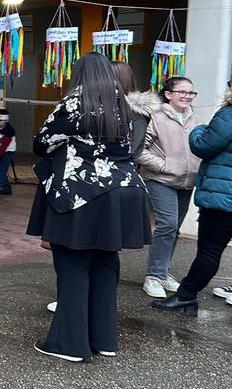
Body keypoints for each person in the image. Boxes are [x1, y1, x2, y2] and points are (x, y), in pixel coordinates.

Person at [28, 52, 151, 361]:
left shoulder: (75, 104)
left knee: (73, 266)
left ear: (78, 75)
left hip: (81, 194)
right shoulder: (127, 107)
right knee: (105, 265)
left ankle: (68, 345)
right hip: (124, 190)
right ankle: (104, 340)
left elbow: (41, 143)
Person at [151, 59, 232, 329]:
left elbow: (204, 146)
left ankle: (186, 296)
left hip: (225, 199)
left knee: (209, 252)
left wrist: (199, 129)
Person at [135, 76, 204, 299]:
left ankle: (163, 273)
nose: (186, 96)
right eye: (181, 92)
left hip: (186, 182)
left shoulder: (197, 120)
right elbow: (139, 150)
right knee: (167, 224)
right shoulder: (154, 117)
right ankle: (154, 276)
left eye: (190, 93)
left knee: (174, 228)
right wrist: (164, 166)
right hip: (160, 179)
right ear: (168, 94)